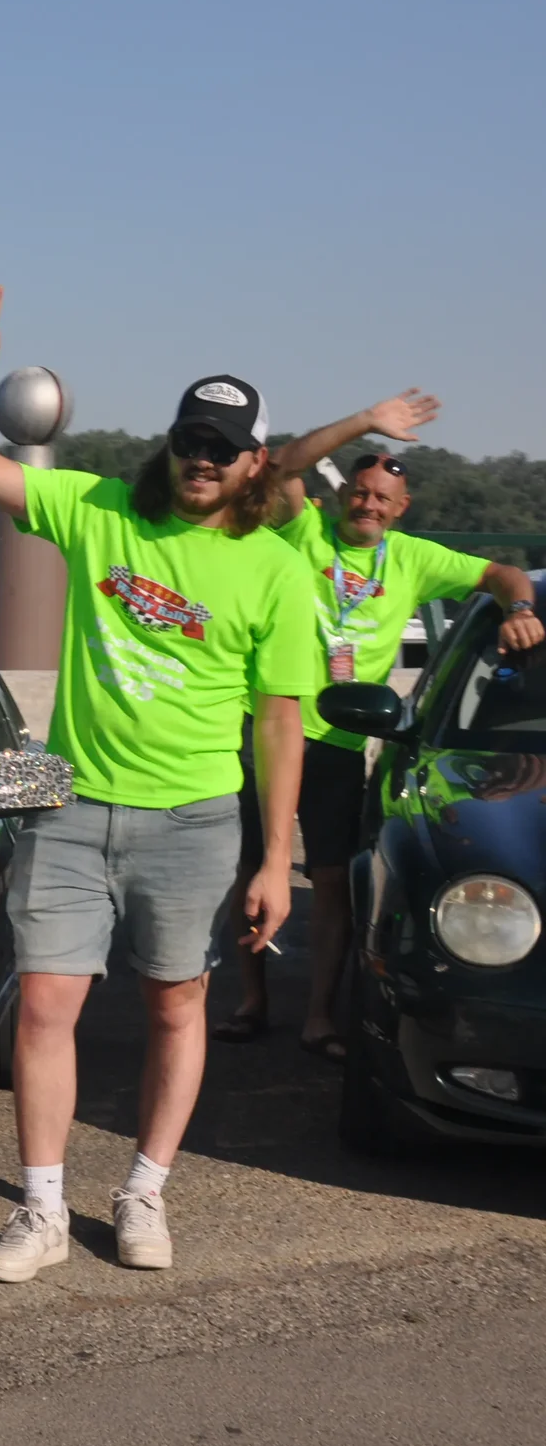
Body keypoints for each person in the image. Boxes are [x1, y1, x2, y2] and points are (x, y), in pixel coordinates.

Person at [0, 282, 319, 1282]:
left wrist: (276, 858)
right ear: (171, 443)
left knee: (173, 1007)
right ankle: (41, 1209)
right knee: (46, 1006)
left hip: (195, 820)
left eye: (222, 446)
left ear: (252, 462)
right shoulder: (100, 508)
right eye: (189, 438)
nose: (202, 457)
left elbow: (280, 722)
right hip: (69, 805)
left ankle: (144, 1190)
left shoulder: (277, 570)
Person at [211, 398, 542, 1054]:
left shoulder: (414, 561)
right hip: (264, 730)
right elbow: (282, 467)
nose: (366, 505)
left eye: (381, 498)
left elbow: (502, 574)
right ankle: (252, 1001)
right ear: (344, 499)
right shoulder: (301, 531)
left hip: (338, 741)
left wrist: (521, 608)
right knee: (248, 866)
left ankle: (319, 1017)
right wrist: (365, 422)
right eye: (359, 493)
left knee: (331, 880)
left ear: (400, 508)